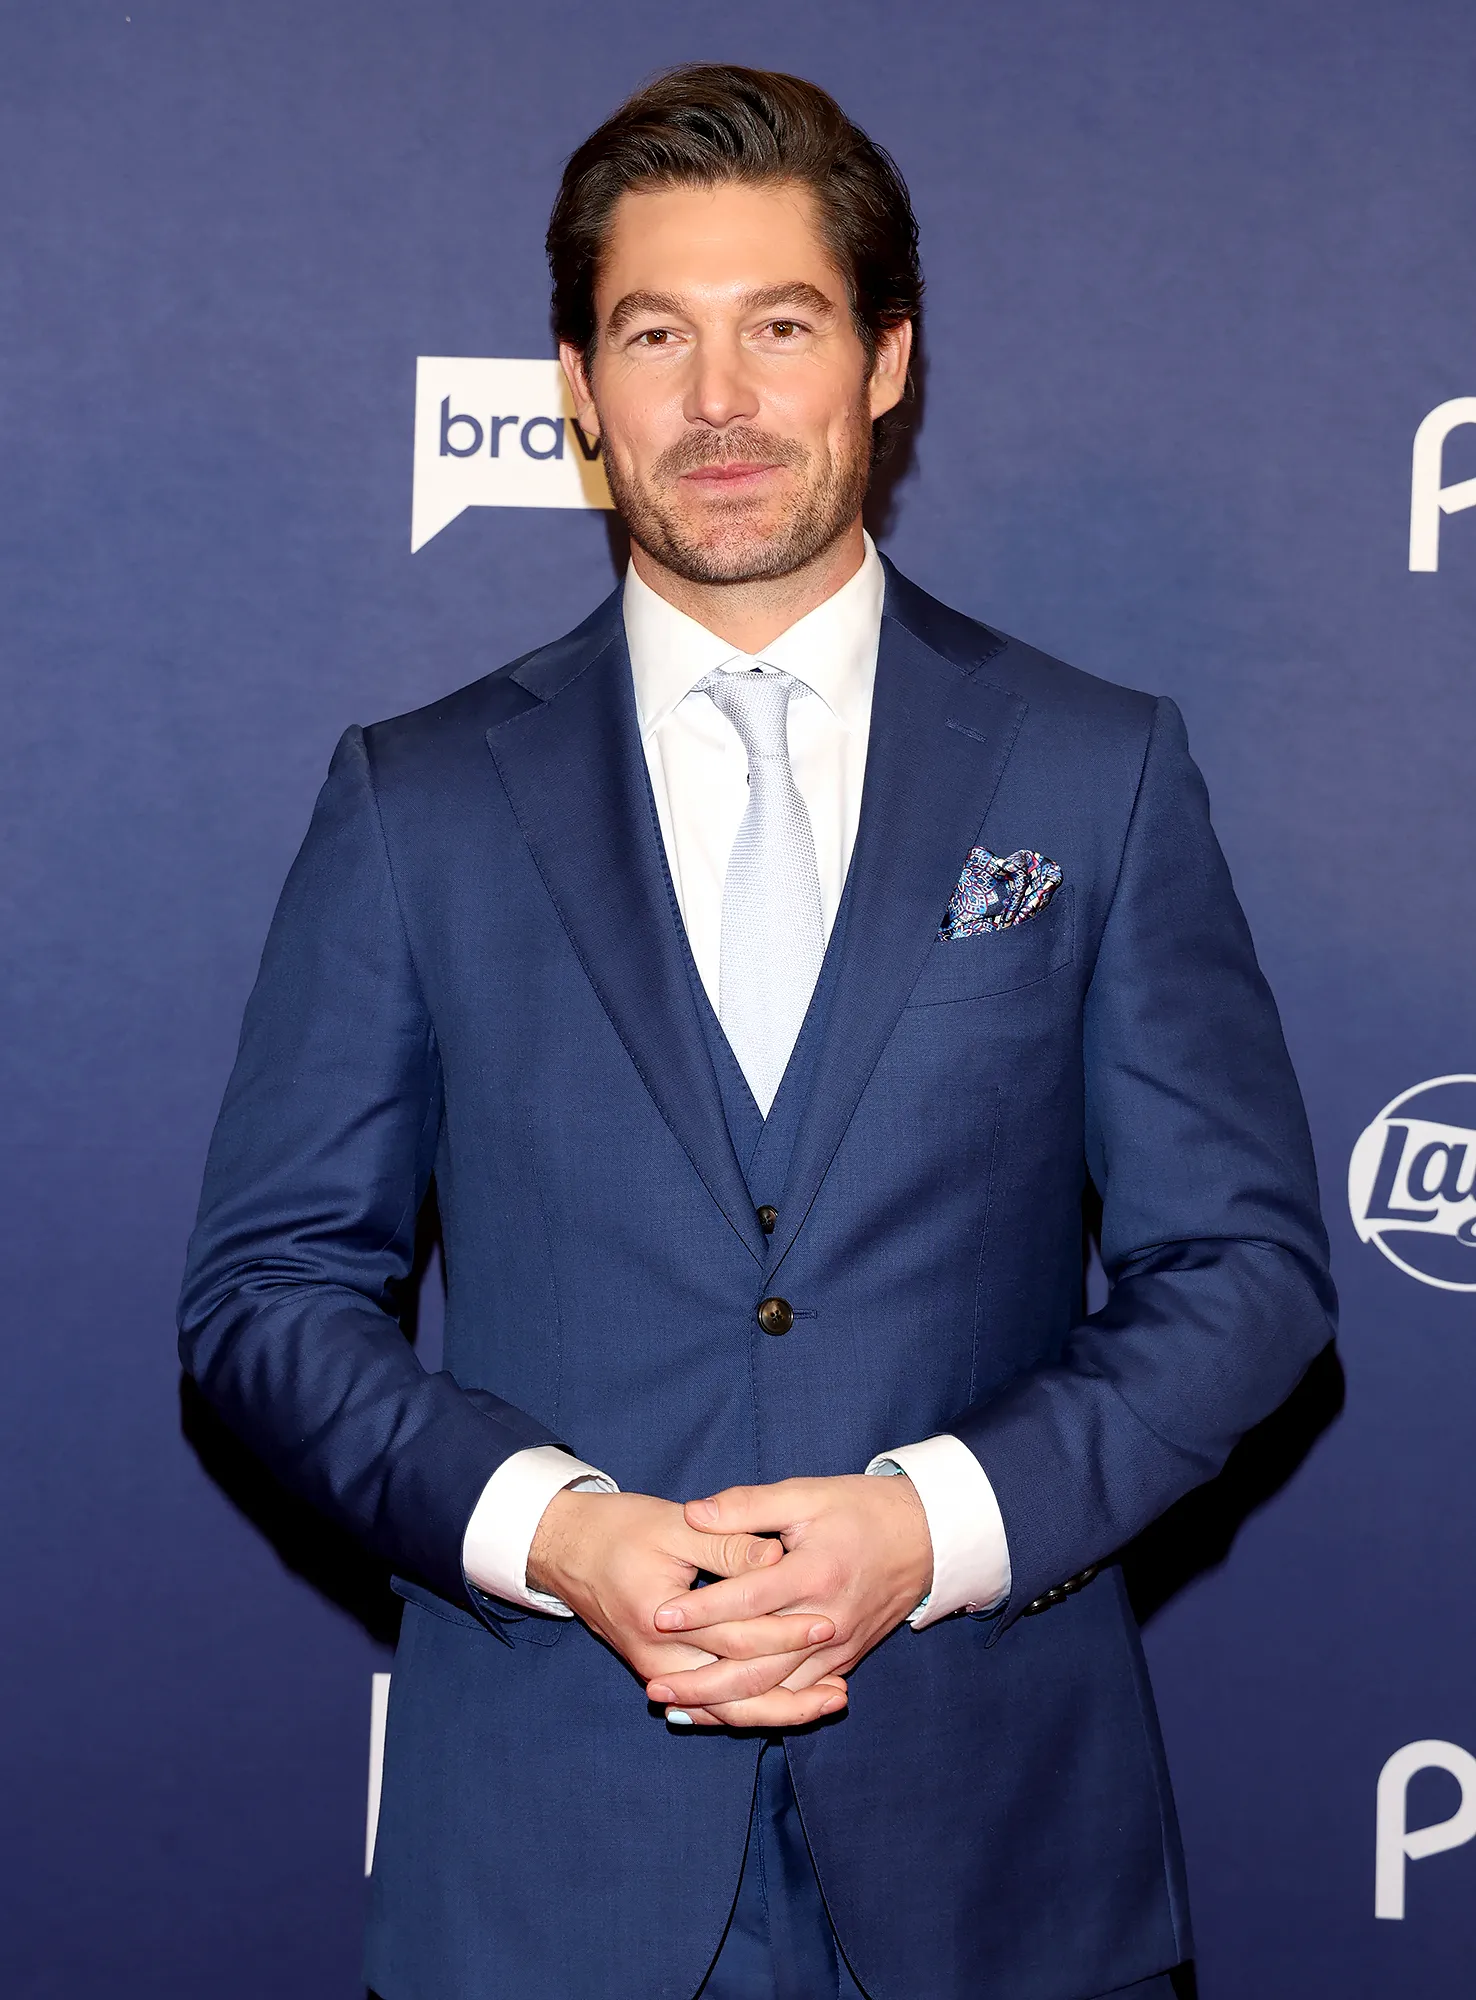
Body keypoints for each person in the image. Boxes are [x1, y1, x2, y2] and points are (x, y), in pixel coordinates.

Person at [178, 63, 1335, 2000]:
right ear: (578, 386)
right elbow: (268, 1294)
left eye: (780, 326)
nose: (718, 399)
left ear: (886, 361)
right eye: (657, 335)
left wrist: (932, 1525)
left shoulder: (1095, 768)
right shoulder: (419, 800)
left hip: (1002, 1859)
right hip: (543, 1862)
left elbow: (1246, 1272)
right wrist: (561, 1535)